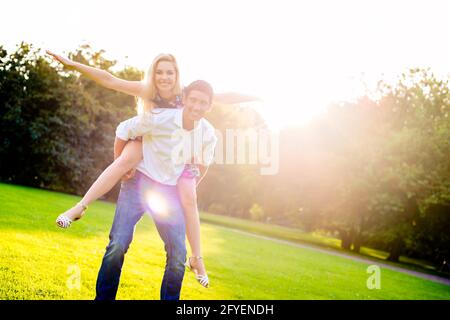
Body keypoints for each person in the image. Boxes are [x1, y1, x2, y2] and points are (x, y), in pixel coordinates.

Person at [47, 51, 211, 287]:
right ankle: (80, 207)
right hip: (145, 138)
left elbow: (217, 97)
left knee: (189, 199)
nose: (164, 77)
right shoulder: (148, 91)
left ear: (177, 76)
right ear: (153, 74)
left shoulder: (185, 95)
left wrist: (254, 97)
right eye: (159, 72)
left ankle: (196, 258)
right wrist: (73, 65)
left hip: (169, 157)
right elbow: (110, 80)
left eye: (170, 72)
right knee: (124, 162)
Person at [97, 80, 217, 300]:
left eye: (203, 103)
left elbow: (203, 165)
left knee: (178, 255)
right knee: (117, 245)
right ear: (185, 99)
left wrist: (188, 187)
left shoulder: (208, 134)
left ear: (210, 106)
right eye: (193, 100)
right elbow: (124, 130)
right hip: (139, 182)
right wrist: (121, 164)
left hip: (170, 190)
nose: (197, 106)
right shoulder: (163, 117)